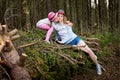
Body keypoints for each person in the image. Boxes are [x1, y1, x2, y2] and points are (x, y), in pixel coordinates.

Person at [52, 9, 102, 75]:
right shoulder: (55, 25)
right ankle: (90, 54)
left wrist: (61, 42)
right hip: (68, 43)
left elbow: (70, 35)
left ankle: (97, 65)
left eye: (61, 16)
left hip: (75, 39)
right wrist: (56, 40)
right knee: (83, 50)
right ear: (56, 17)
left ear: (63, 17)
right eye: (58, 16)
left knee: (88, 50)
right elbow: (57, 33)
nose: (60, 17)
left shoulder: (67, 23)